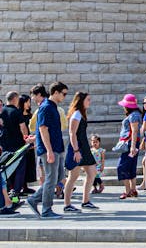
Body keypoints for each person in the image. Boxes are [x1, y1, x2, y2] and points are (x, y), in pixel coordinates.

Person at [27, 82, 68, 218]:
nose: (65, 96)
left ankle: (34, 199)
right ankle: (46, 209)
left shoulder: (51, 107)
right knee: (51, 179)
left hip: (55, 147)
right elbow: (43, 129)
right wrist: (49, 151)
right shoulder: (46, 107)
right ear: (55, 92)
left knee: (55, 178)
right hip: (49, 149)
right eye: (64, 93)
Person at [63, 91, 98, 213]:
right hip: (77, 148)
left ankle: (86, 201)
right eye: (88, 99)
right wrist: (76, 150)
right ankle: (67, 204)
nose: (90, 102)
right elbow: (72, 134)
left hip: (84, 148)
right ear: (81, 100)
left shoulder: (82, 114)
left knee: (92, 172)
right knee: (73, 176)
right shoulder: (76, 114)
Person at [115, 94, 141, 199]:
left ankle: (128, 190)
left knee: (121, 167)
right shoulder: (135, 114)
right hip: (131, 143)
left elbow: (134, 131)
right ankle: (133, 190)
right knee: (131, 166)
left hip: (130, 143)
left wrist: (133, 147)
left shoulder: (133, 115)